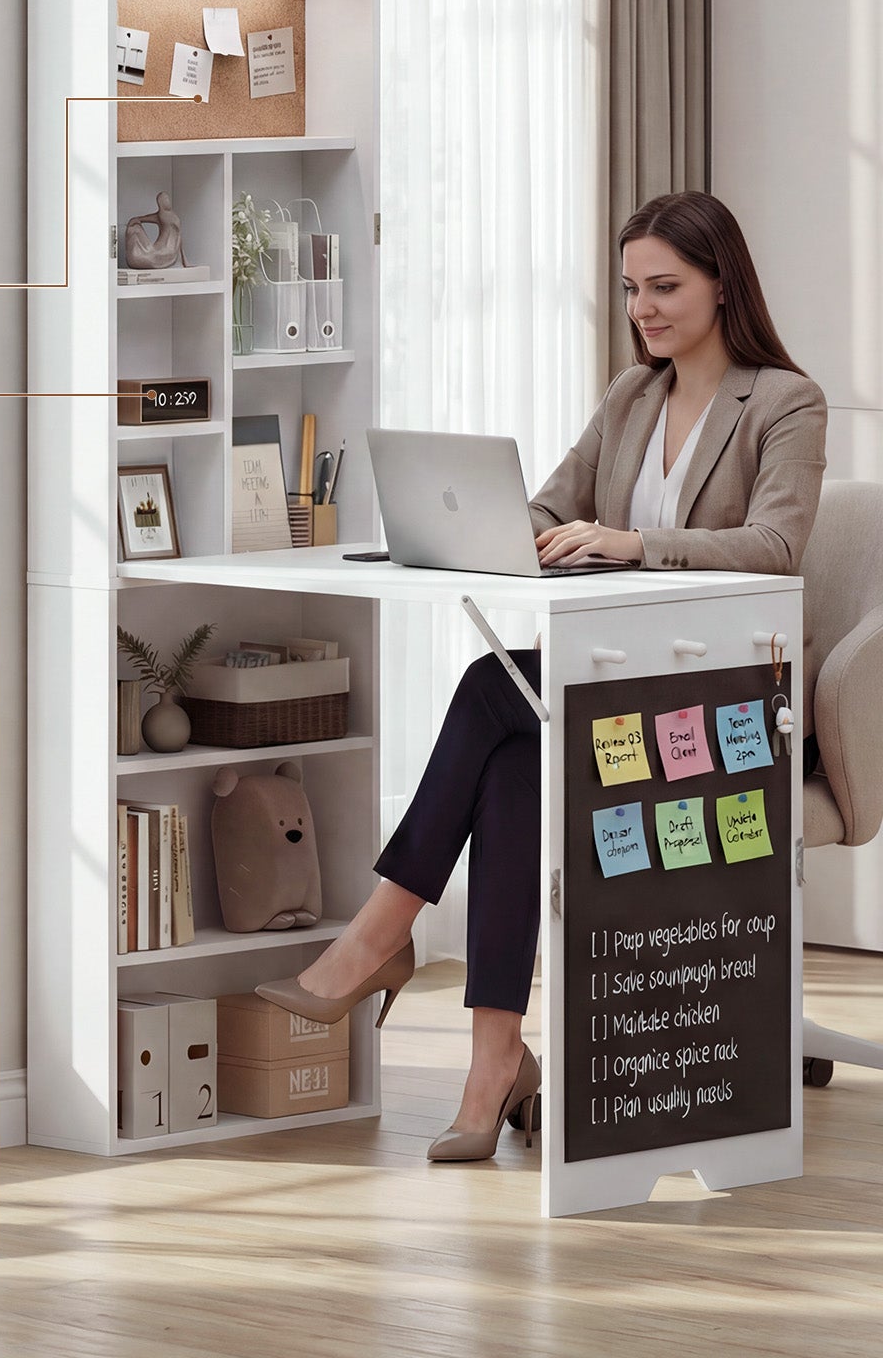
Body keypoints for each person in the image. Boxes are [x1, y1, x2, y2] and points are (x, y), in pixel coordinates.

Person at [256, 191, 827, 1161]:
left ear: (721, 283)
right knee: (517, 753)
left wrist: (635, 540)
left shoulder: (782, 400)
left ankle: (379, 934)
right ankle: (492, 1070)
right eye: (629, 288)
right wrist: (496, 521)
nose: (642, 306)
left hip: (728, 694)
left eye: (664, 285)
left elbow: (775, 544)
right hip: (620, 680)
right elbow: (553, 500)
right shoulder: (629, 397)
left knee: (493, 689)